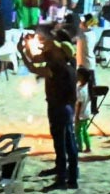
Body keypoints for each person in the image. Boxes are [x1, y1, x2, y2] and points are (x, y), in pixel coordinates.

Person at [40, 33, 79, 190]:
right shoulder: (69, 67)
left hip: (60, 108)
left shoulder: (60, 69)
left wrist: (23, 53)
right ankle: (72, 177)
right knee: (69, 143)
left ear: (62, 54)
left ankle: (62, 178)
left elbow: (36, 68)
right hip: (66, 108)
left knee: (61, 144)